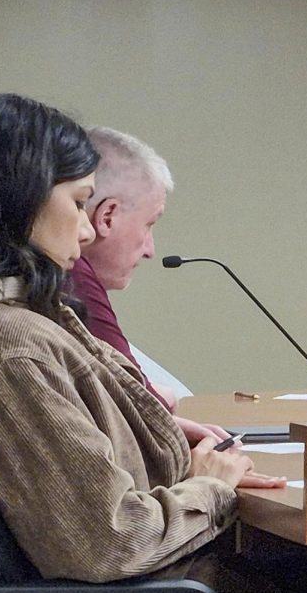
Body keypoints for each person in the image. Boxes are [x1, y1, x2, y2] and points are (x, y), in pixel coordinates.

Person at [0, 94, 284, 593]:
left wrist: (166, 444)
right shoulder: (11, 347)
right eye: (78, 203)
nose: (86, 227)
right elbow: (110, 540)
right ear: (20, 200)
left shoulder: (29, 317)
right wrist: (211, 488)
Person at [68, 125, 226, 447]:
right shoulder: (71, 273)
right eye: (149, 224)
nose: (151, 249)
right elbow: (146, 406)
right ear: (107, 216)